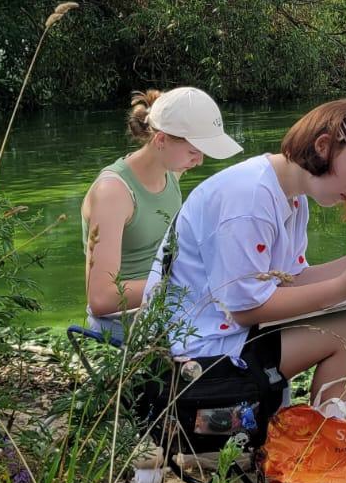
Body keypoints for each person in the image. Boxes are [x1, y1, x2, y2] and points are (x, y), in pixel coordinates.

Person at [146, 98, 346, 483]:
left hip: (227, 343)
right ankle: (328, 468)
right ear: (324, 146)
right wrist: (345, 287)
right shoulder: (249, 198)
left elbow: (289, 281)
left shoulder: (289, 198)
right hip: (196, 370)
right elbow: (246, 307)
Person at [82, 87, 242, 336]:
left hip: (165, 304)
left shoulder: (171, 169)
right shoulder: (113, 193)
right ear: (160, 140)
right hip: (122, 320)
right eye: (193, 151)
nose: (199, 161)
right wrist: (186, 285)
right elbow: (101, 299)